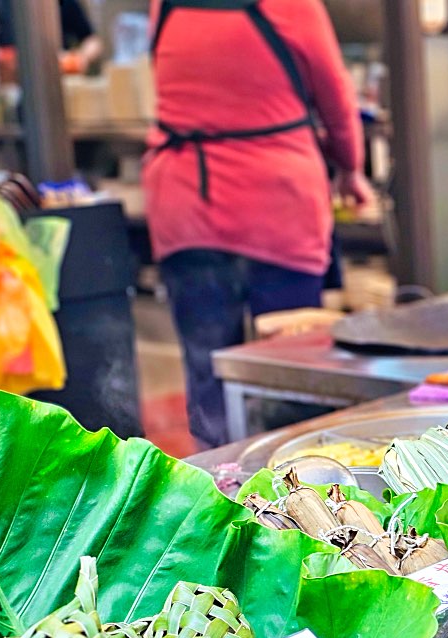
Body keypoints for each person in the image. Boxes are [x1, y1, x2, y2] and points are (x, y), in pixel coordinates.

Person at [142, 0, 372, 448]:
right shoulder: (292, 5)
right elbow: (336, 97)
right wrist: (350, 169)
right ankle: (299, 478)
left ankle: (215, 478)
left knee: (208, 370)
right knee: (290, 373)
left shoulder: (164, 4)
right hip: (278, 205)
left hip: (186, 203)